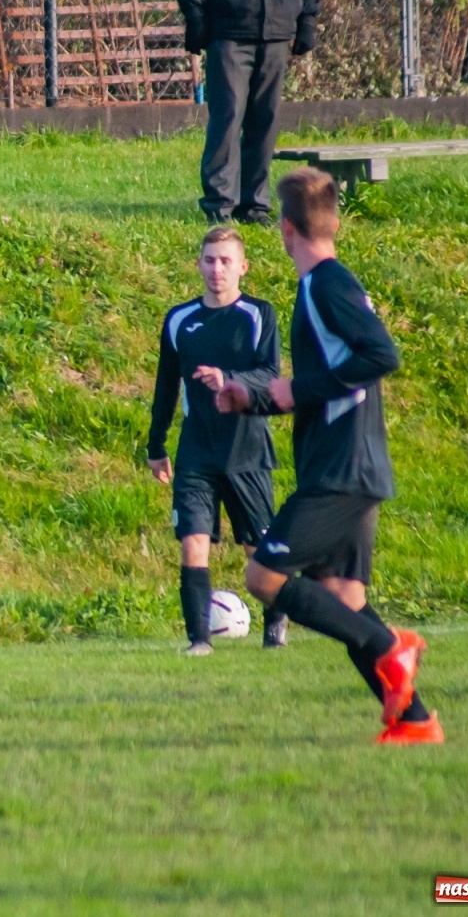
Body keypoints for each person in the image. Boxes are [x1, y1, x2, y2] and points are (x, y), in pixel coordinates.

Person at [216, 168, 440, 744]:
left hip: (342, 470)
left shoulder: (325, 285)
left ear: (285, 229)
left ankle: (391, 646)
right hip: (348, 465)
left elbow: (380, 355)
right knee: (344, 599)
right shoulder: (327, 285)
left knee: (264, 576)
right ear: (333, 221)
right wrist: (259, 397)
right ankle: (414, 724)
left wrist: (299, 390)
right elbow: (323, 380)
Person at [147, 226, 287, 655]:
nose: (216, 269)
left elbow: (270, 377)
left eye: (226, 261)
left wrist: (229, 380)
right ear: (198, 264)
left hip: (246, 450)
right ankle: (199, 641)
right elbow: (165, 387)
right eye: (209, 260)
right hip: (196, 451)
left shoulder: (259, 314)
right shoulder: (179, 320)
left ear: (242, 267)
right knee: (193, 541)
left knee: (257, 552)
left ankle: (275, 631)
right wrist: (156, 446)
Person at [174, 0, 323, 224]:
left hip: (276, 32)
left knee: (265, 119)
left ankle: (254, 206)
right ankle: (219, 205)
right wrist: (196, 18)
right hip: (228, 31)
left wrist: (307, 21)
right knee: (227, 116)